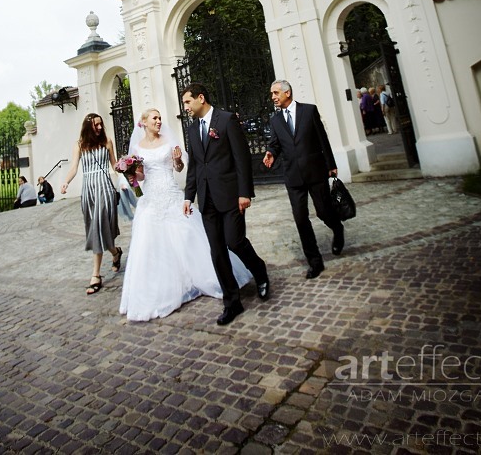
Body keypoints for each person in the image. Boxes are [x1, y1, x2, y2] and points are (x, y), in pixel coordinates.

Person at [119, 108, 252, 322]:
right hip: (151, 198)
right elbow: (140, 178)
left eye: (160, 117)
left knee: (186, 236)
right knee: (152, 243)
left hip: (171, 192)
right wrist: (130, 173)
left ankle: (204, 279)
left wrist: (178, 160)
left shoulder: (169, 140)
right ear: (144, 122)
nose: (159, 121)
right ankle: (165, 287)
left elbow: (179, 168)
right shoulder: (136, 147)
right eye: (155, 118)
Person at [182, 82, 269, 326]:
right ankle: (232, 303)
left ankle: (259, 271)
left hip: (230, 195)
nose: (186, 107)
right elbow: (195, 166)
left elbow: (241, 158)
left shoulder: (227, 119)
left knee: (235, 241)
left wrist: (245, 192)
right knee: (217, 251)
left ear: (201, 98)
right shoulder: (191, 130)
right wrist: (189, 196)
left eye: (188, 101)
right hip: (206, 198)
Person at [263, 79, 344, 279]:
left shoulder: (309, 111)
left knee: (324, 211)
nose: (273, 97)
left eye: (275, 93)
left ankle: (337, 228)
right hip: (293, 176)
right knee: (300, 219)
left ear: (287, 93)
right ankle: (315, 261)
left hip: (316, 171)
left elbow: (321, 137)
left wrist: (331, 165)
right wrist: (270, 152)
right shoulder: (275, 120)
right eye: (272, 94)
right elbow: (275, 143)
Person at [60, 113, 122, 296]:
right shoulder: (80, 145)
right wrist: (66, 182)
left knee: (98, 227)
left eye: (101, 124)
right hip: (88, 191)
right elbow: (73, 168)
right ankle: (115, 252)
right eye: (96, 125)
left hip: (105, 188)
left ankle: (96, 275)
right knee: (97, 228)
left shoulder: (107, 141)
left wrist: (127, 173)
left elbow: (114, 165)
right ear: (88, 127)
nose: (100, 128)